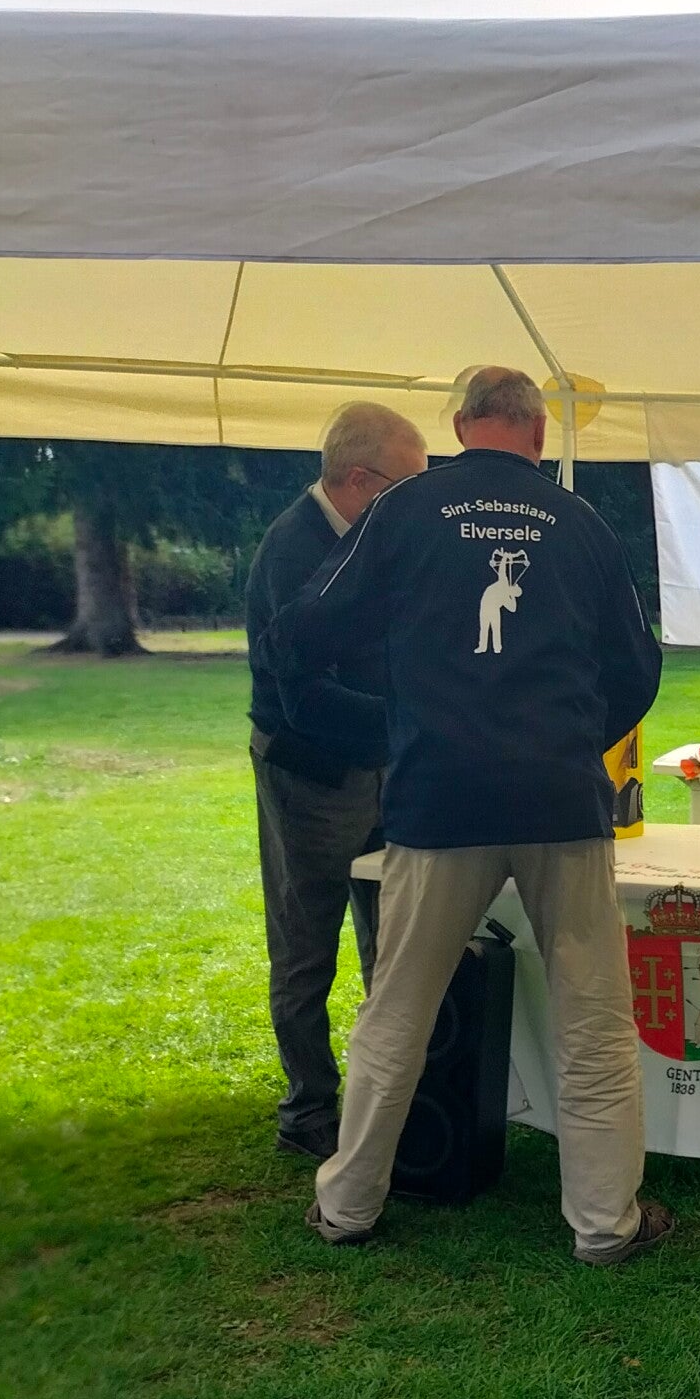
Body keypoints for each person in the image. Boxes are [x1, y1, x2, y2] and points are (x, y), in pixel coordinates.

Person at [270, 365, 668, 1263]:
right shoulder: (583, 522)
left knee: (398, 1010)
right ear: (538, 434)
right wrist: (574, 737)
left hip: (438, 796)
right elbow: (638, 668)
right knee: (594, 1018)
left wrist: (401, 715)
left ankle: (348, 1206)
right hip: (560, 798)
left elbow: (307, 629)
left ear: (459, 426)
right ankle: (605, 1223)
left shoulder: (403, 511)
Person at [244, 401, 428, 1160]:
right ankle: (309, 1109)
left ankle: (389, 1098)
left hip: (382, 765)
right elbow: (303, 698)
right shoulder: (294, 550)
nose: (416, 506)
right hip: (311, 773)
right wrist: (409, 721)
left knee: (393, 944)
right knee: (306, 944)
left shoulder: (369, 541)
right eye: (406, 489)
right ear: (358, 480)